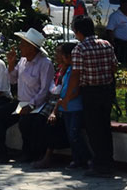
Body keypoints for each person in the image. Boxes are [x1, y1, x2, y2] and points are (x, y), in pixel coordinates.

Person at [67, 15, 117, 176]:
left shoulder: (79, 49)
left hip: (91, 92)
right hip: (106, 90)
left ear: (78, 32)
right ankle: (108, 161)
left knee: (94, 130)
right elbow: (114, 67)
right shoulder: (106, 44)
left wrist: (68, 95)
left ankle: (100, 165)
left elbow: (75, 75)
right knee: (105, 127)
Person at [34, 42, 89, 170]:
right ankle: (77, 160)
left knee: (74, 134)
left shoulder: (75, 71)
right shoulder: (65, 70)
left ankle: (86, 159)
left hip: (73, 106)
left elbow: (75, 89)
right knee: (70, 134)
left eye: (62, 54)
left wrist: (66, 99)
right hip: (65, 106)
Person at [6, 28, 56, 162]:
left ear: (32, 48)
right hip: (20, 102)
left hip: (37, 104)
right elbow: (12, 79)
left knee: (27, 122)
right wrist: (11, 65)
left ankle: (30, 153)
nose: (20, 47)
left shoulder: (45, 64)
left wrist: (31, 105)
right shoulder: (22, 61)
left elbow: (44, 90)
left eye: (23, 44)